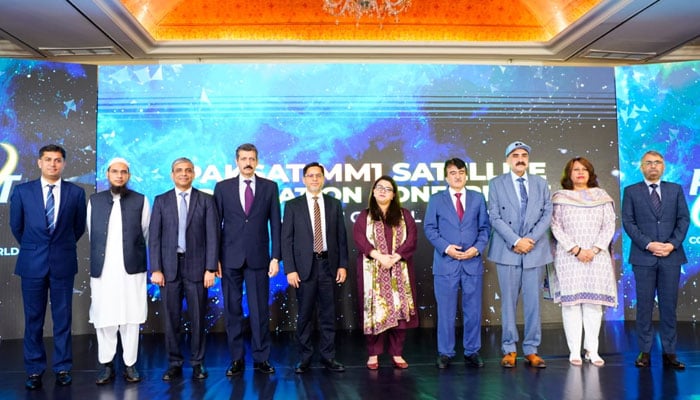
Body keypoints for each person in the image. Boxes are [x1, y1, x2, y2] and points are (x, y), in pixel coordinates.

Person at [9, 144, 87, 390]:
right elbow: (17, 227)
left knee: (63, 319)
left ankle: (63, 368)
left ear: (63, 164)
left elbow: (78, 228)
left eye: (58, 160)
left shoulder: (76, 193)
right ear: (39, 163)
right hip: (32, 264)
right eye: (48, 159)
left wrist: (57, 248)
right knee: (34, 319)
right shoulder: (22, 192)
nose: (53, 164)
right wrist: (37, 248)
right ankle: (34, 370)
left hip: (63, 263)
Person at [149, 157, 220, 381]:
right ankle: (174, 363)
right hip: (169, 269)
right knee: (171, 319)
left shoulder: (206, 200)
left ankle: (198, 362)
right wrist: (156, 268)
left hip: (198, 269)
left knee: (198, 317)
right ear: (172, 174)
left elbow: (213, 237)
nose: (183, 174)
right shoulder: (161, 201)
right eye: (179, 170)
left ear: (193, 174)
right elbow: (154, 238)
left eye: (188, 170)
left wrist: (211, 268)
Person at [214, 143, 281, 376]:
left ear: (257, 161)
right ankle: (236, 359)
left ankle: (262, 358)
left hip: (259, 258)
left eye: (252, 158)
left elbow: (276, 224)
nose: (248, 162)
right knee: (232, 311)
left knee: (260, 310)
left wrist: (276, 257)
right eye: (243, 158)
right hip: (229, 259)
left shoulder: (270, 187)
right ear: (237, 161)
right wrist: (214, 260)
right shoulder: (222, 188)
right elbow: (215, 226)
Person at [487, 141, 553, 368]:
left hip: (534, 250)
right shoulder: (496, 184)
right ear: (507, 160)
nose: (520, 158)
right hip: (508, 250)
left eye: (524, 154)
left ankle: (532, 349)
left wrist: (529, 240)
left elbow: (547, 214)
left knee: (534, 302)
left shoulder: (541, 183)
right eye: (515, 155)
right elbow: (494, 217)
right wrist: (516, 240)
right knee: (508, 302)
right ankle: (509, 349)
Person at [622, 150, 689, 370]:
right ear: (641, 167)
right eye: (648, 163)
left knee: (669, 307)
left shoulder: (675, 189)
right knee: (644, 307)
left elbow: (683, 219)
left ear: (664, 166)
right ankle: (645, 351)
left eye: (657, 162)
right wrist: (649, 244)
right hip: (643, 257)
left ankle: (670, 352)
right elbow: (629, 222)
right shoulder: (631, 191)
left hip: (671, 256)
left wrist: (671, 244)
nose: (653, 166)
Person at [87, 157, 150, 384]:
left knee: (131, 318)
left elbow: (145, 233)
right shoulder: (94, 201)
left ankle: (130, 365)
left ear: (128, 176)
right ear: (108, 174)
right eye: (115, 172)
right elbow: (91, 233)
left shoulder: (141, 201)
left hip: (132, 270)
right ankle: (106, 364)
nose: (119, 176)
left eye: (123, 172)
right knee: (105, 319)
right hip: (103, 271)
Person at [282, 162, 348, 373]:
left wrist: (342, 265)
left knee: (328, 315)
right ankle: (305, 357)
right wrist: (290, 269)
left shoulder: (334, 204)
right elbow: (287, 240)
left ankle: (329, 357)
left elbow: (341, 238)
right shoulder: (293, 205)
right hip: (303, 269)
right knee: (305, 315)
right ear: (304, 179)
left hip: (328, 266)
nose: (314, 179)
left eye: (318, 175)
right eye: (310, 176)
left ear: (322, 178)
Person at [550, 157, 617, 366]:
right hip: (569, 256)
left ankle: (592, 350)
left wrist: (594, 249)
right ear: (568, 174)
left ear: (590, 173)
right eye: (575, 169)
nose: (580, 173)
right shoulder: (560, 198)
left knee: (593, 305)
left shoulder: (602, 197)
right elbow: (555, 226)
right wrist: (576, 249)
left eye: (584, 169)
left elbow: (608, 226)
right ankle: (574, 351)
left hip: (597, 256)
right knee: (571, 306)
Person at [425, 160, 490, 369]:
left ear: (466, 175)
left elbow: (485, 229)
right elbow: (430, 228)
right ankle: (445, 352)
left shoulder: (478, 198)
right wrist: (446, 248)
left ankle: (472, 351)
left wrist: (477, 248)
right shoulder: (436, 200)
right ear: (446, 177)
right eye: (453, 173)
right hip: (446, 263)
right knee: (445, 310)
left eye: (461, 172)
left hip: (472, 262)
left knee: (473, 310)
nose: (457, 176)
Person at [353, 176, 419, 370]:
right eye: (379, 187)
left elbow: (412, 238)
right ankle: (373, 354)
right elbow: (359, 238)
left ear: (393, 194)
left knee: (399, 313)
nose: (382, 191)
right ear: (373, 192)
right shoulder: (364, 216)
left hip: (399, 270)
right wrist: (378, 256)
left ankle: (397, 353)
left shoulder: (404, 215)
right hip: (372, 271)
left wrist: (396, 257)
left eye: (387, 189)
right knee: (375, 311)